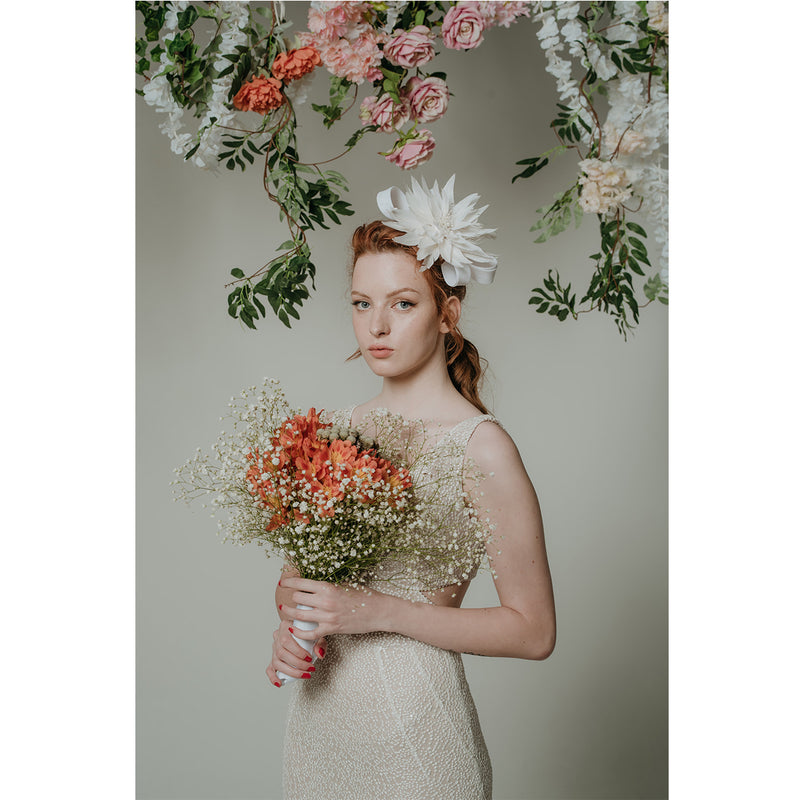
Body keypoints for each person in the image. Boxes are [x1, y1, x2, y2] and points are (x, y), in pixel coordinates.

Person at [266, 176, 556, 800]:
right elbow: (299, 580)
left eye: (402, 303)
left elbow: (533, 632)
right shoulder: (332, 431)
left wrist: (379, 613)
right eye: (360, 303)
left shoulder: (480, 445)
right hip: (321, 722)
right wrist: (287, 629)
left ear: (447, 311)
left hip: (417, 731)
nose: (377, 326)